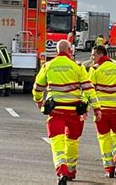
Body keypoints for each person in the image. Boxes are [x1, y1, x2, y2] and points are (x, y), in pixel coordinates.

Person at [32, 39, 102, 184]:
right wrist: (96, 109)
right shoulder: (78, 67)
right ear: (70, 51)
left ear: (57, 51)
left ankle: (61, 169)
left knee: (57, 142)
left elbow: (38, 87)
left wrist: (39, 100)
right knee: (72, 141)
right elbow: (89, 89)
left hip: (56, 111)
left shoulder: (48, 66)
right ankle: (70, 171)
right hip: (74, 112)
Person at [89, 45, 116, 178]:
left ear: (101, 54)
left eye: (93, 55)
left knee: (104, 138)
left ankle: (109, 169)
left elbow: (90, 91)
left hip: (101, 111)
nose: (92, 58)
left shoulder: (95, 70)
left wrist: (90, 108)